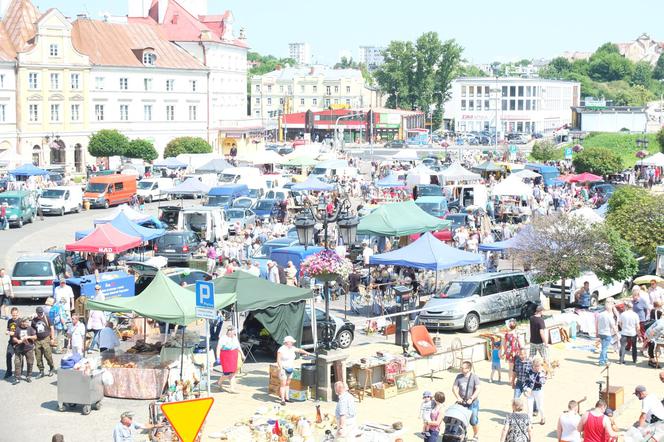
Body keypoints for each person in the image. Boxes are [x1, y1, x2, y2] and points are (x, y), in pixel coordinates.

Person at [276, 335, 311, 406]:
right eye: (291, 342)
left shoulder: (292, 348)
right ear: (287, 342)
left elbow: (299, 350)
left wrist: (306, 352)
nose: (292, 343)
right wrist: (281, 368)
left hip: (290, 368)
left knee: (288, 383)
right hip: (283, 369)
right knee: (283, 384)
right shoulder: (281, 349)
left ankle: (287, 398)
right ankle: (282, 400)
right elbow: (278, 359)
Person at [452, 361, 480, 440]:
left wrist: (471, 398)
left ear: (468, 369)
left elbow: (478, 389)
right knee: (462, 420)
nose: (461, 369)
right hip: (462, 402)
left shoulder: (474, 377)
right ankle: (464, 434)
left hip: (473, 402)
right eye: (461, 367)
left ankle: (476, 435)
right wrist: (458, 397)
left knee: (473, 420)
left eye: (463, 368)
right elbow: (454, 388)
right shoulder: (459, 376)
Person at [215, 326, 243, 393]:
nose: (234, 333)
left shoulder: (235, 338)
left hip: (233, 355)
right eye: (233, 332)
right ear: (229, 331)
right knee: (226, 373)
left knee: (233, 372)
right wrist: (218, 357)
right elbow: (218, 348)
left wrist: (242, 354)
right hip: (225, 356)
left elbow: (238, 346)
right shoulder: (223, 338)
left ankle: (232, 388)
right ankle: (219, 382)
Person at [31, 306, 55, 378]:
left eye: (41, 313)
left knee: (48, 356)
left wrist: (52, 338)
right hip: (37, 340)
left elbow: (52, 328)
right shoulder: (34, 320)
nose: (40, 314)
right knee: (38, 357)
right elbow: (32, 330)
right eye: (39, 313)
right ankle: (41, 371)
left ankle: (51, 368)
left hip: (46, 339)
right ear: (37, 313)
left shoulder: (47, 318)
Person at [11, 317, 36, 384]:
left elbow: (35, 337)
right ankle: (17, 378)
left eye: (28, 322)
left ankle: (28, 376)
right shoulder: (18, 328)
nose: (27, 323)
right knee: (17, 363)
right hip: (19, 348)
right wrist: (17, 340)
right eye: (26, 322)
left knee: (30, 362)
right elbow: (14, 337)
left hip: (28, 348)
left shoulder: (30, 328)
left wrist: (29, 337)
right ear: (22, 322)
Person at [523, 356, 546, 425]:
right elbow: (525, 381)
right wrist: (525, 389)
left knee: (540, 407)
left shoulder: (542, 372)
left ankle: (543, 417)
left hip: (538, 391)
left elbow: (543, 382)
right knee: (529, 408)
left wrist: (539, 374)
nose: (537, 367)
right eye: (535, 366)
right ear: (532, 365)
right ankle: (530, 422)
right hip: (530, 391)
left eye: (538, 366)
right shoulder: (529, 371)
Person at [596, 298, 618, 366]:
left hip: (601, 333)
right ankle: (601, 361)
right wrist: (617, 334)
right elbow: (613, 326)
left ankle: (605, 360)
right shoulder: (609, 316)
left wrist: (597, 332)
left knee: (603, 347)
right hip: (607, 333)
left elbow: (597, 323)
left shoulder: (600, 314)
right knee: (604, 348)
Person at [618, 301, 639, 365]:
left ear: (627, 307)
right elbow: (637, 326)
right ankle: (634, 359)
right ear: (632, 307)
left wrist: (622, 328)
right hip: (633, 333)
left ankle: (621, 360)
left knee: (623, 346)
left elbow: (619, 323)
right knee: (634, 346)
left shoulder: (623, 314)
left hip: (624, 332)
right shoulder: (635, 315)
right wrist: (638, 332)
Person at [503, 319, 522, 386]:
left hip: (509, 352)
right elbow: (520, 343)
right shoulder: (516, 334)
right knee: (517, 366)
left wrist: (505, 351)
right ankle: (516, 380)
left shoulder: (506, 335)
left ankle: (510, 381)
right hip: (516, 351)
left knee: (510, 367)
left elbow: (504, 344)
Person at [4, 306, 19, 380]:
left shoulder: (20, 321)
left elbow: (23, 331)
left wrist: (14, 333)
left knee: (18, 358)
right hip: (11, 342)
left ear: (18, 314)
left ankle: (19, 372)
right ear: (11, 314)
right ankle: (9, 371)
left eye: (16, 315)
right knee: (8, 356)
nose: (14, 316)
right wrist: (7, 331)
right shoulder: (9, 321)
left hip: (19, 342)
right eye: (13, 315)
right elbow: (8, 329)